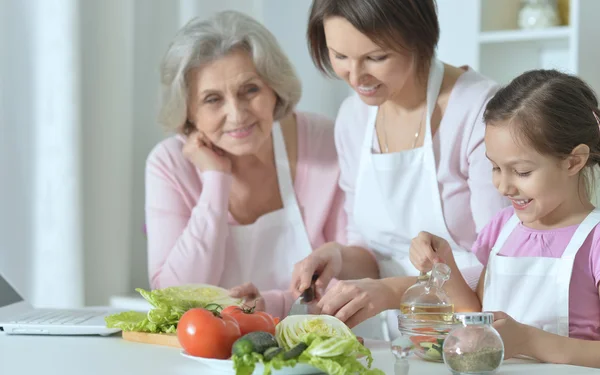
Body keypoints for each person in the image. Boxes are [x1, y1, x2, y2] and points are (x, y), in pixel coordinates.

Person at [290, 0, 507, 338]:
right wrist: (338, 256)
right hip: (399, 337)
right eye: (340, 56)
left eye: (376, 58)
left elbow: (501, 264)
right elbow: (372, 250)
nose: (356, 76)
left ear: (419, 39)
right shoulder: (353, 118)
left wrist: (394, 291)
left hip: (476, 337)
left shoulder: (480, 112)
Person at [145, 10, 378, 320]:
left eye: (250, 90)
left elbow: (357, 273)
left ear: (274, 89)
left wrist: (274, 304)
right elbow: (173, 297)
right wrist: (216, 180)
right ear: (188, 112)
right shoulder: (169, 164)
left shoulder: (324, 141)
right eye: (212, 99)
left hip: (321, 343)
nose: (238, 114)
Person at [410, 69, 600, 368]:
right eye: (495, 168)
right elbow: (475, 310)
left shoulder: (596, 240)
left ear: (574, 161)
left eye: (522, 172)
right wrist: (442, 261)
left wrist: (529, 341)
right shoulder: (504, 227)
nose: (503, 186)